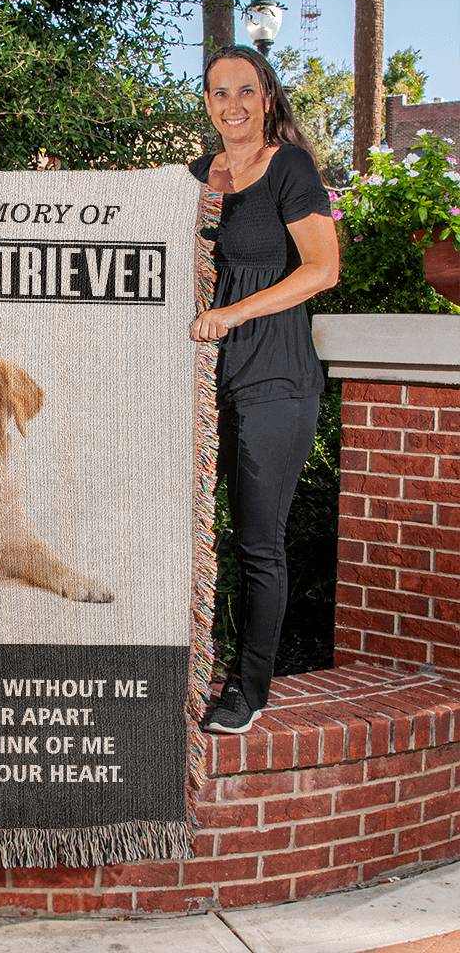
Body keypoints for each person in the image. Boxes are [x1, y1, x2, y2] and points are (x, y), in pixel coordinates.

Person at [188, 45, 339, 734]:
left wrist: (234, 313)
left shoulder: (289, 168)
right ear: (209, 103)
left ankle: (246, 691)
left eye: (246, 91)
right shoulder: (198, 176)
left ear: (268, 97)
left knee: (257, 543)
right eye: (220, 93)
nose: (234, 105)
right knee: (187, 535)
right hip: (202, 384)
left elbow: (323, 270)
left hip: (274, 380)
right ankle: (182, 669)